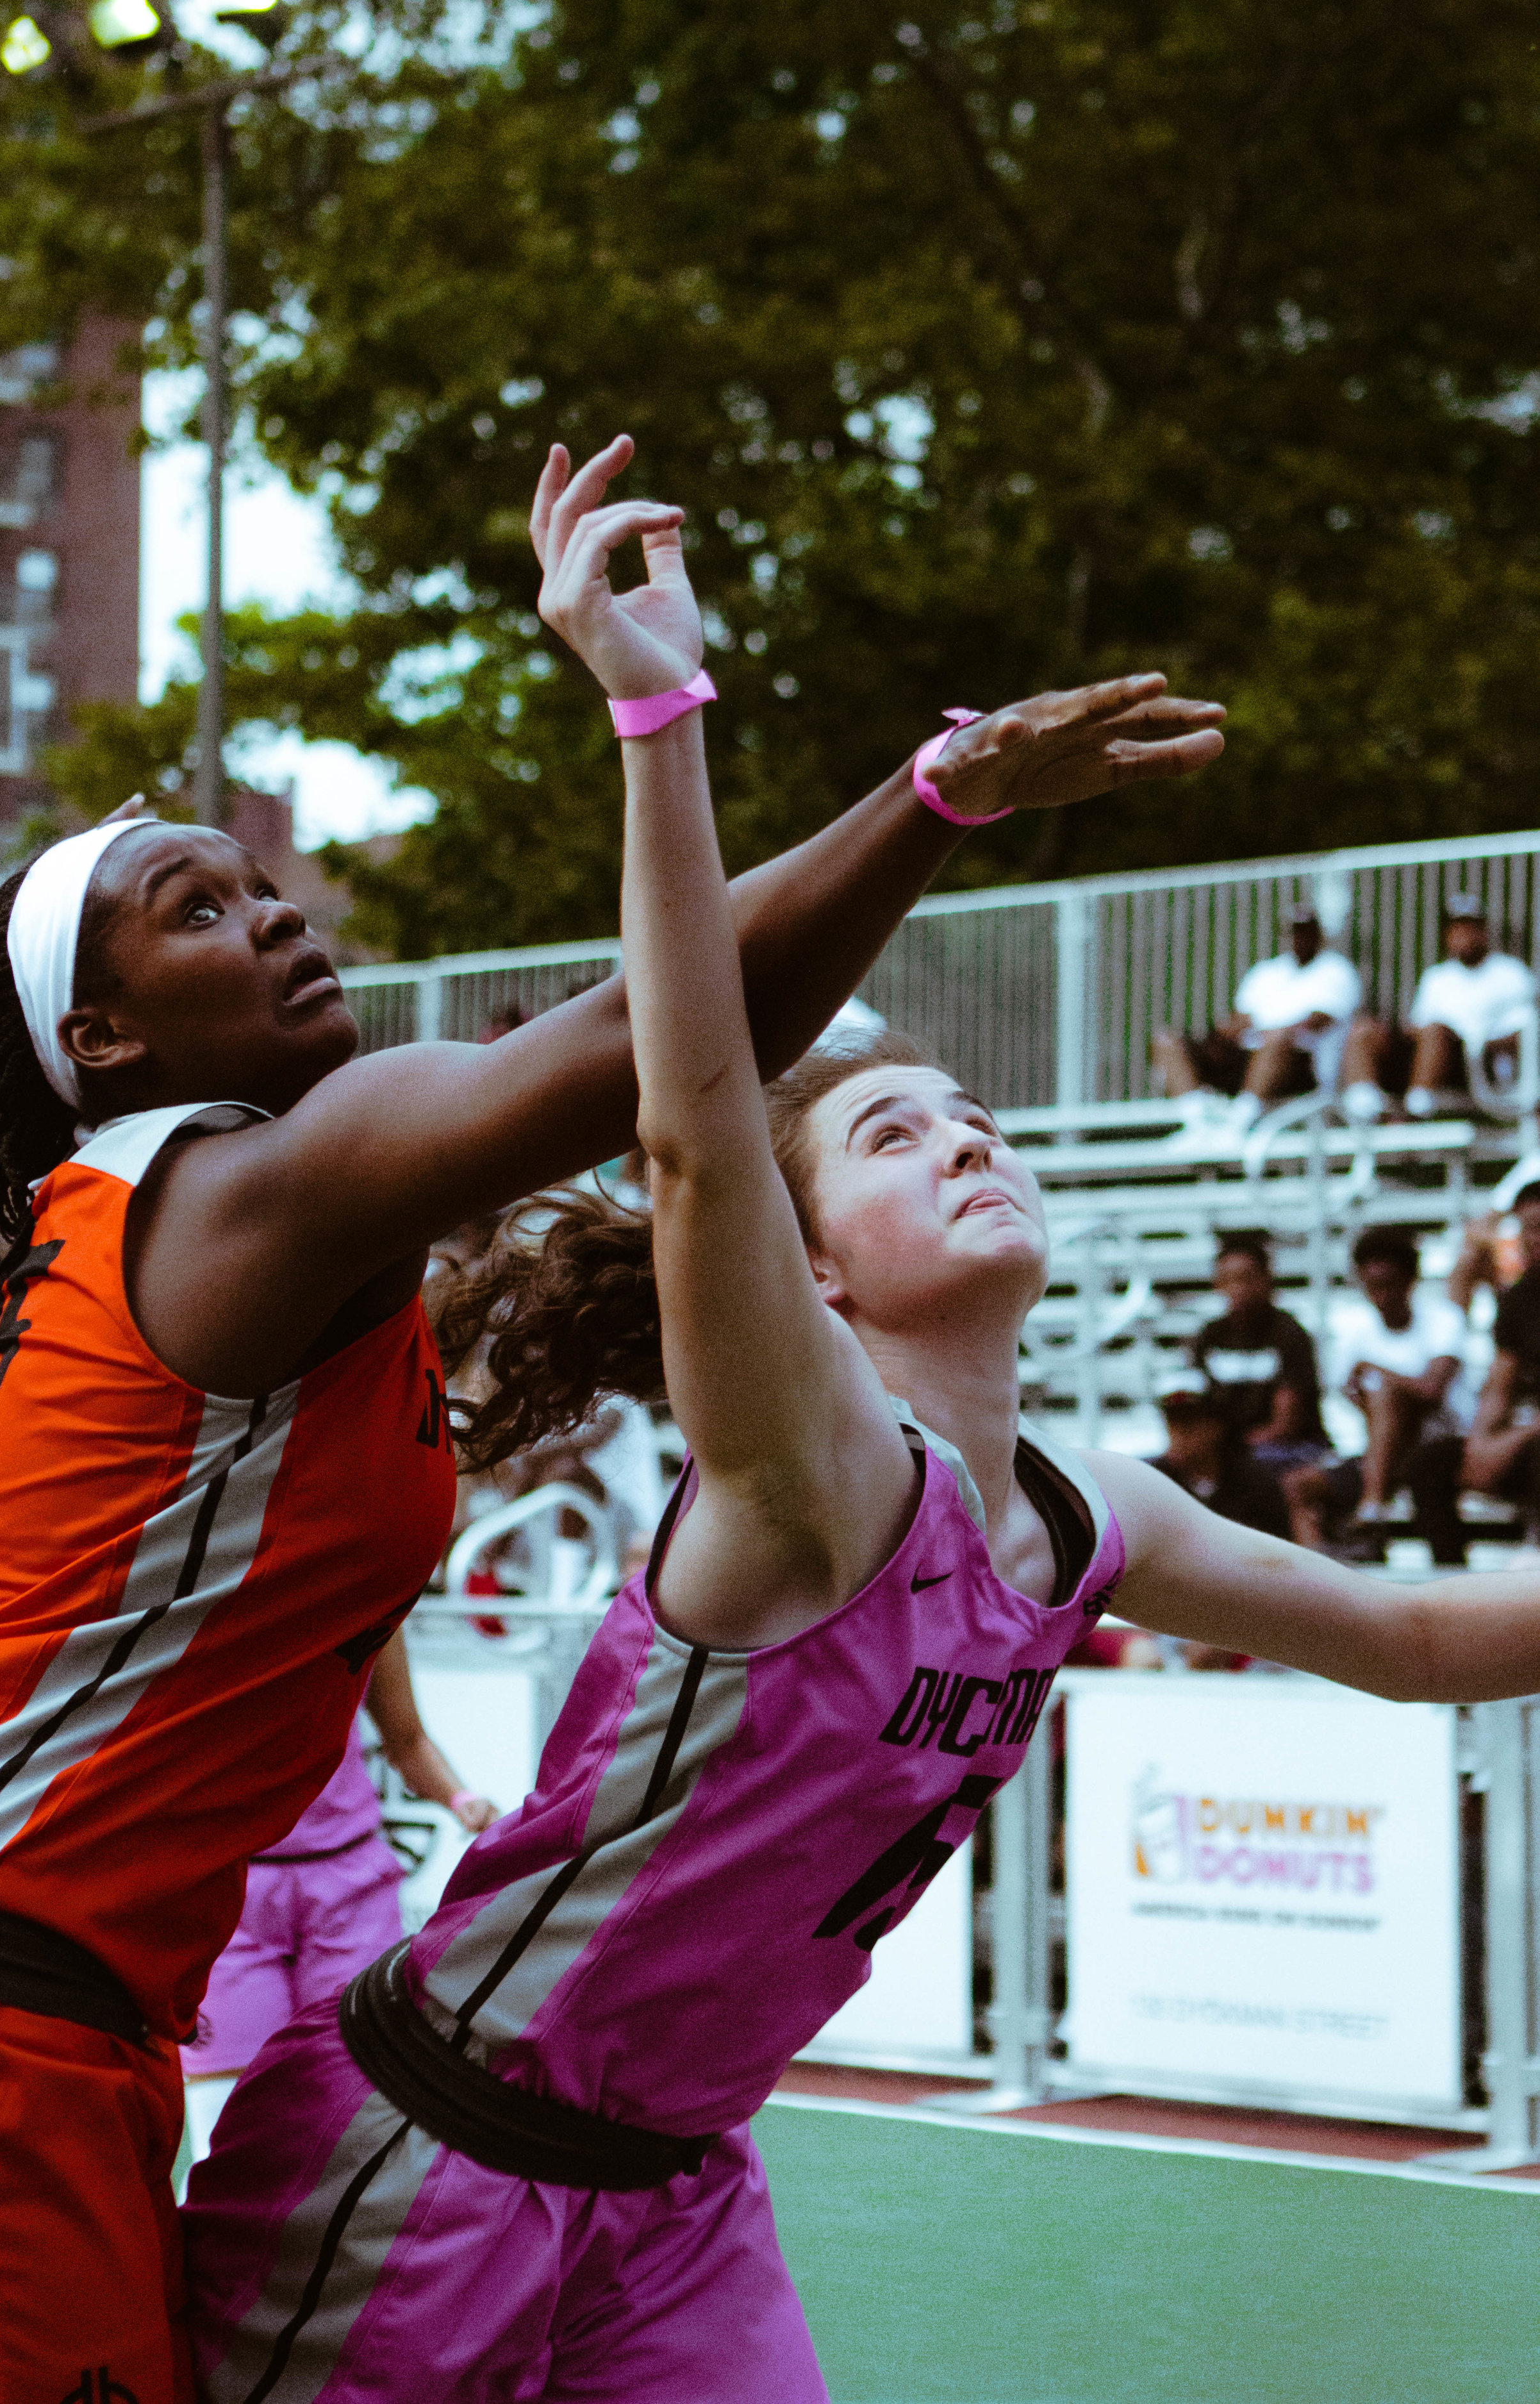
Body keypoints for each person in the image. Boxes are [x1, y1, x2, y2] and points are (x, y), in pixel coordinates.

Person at [186, 467, 1540, 2404]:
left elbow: (1407, 1637)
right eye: (896, 1135)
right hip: (436, 2153)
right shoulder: (812, 1468)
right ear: (810, 1267)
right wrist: (658, 715)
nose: (967, 1136)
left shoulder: (1084, 1514)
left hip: (674, 2189)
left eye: (975, 1116)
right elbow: (689, 1115)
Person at [0, 430, 1229, 2403]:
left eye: (263, 882)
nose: (272, 913)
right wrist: (926, 794)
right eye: (197, 910)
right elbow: (665, 1042)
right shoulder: (242, 1184)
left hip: (73, 2018)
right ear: (100, 1036)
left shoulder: (207, 1234)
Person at [183, 1630, 497, 2083]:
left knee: (352, 2083)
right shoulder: (207, 1608)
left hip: (350, 1887)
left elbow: (408, 1742)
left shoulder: (373, 1604)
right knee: (229, 2097)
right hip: (227, 1888)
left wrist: (462, 1798)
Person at [1284, 1226, 1471, 1558]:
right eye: (1372, 1286)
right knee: (1298, 1486)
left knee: (1386, 1395)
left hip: (1440, 1447)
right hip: (1381, 1454)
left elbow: (1431, 1391)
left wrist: (1376, 1372)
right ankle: (1318, 1570)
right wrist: (1385, 1414)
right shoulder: (1357, 1330)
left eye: (1389, 1285)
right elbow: (1354, 1397)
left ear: (1409, 1280)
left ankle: (1373, 1504)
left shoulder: (1443, 1319)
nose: (1381, 1296)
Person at [1408, 1183, 1540, 1567]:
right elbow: (1500, 1388)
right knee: (1430, 1462)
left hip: (1532, 1438)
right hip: (1526, 1434)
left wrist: (1512, 1440)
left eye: (1539, 1228)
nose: (1531, 1239)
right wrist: (1480, 1443)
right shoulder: (1519, 1299)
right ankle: (1451, 1576)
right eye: (1525, 1229)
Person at [1153, 903, 1359, 1142]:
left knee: (1276, 1040)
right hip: (1248, 1057)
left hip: (1302, 1068)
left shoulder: (1336, 970)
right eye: (1294, 931)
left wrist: (1267, 1031)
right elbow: (1239, 1019)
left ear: (1318, 934)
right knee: (1166, 1041)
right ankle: (1198, 1122)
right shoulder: (1267, 972)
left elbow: (1320, 1020)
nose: (1299, 938)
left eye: (1305, 931)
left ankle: (1239, 1124)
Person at [1342, 892, 1537, 1123]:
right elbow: (1418, 1026)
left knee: (1436, 1033)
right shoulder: (1437, 977)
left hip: (1477, 1062)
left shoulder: (1510, 973)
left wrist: (1473, 1042)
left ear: (1483, 931)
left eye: (1469, 928)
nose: (1462, 936)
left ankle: (1416, 1111)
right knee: (1364, 1030)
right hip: (1430, 1055)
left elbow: (1526, 1031)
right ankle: (1367, 1110)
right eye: (1456, 929)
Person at [1188, 1231, 1327, 1474]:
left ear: (1266, 1280)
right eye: (1229, 1280)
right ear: (1217, 1284)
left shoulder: (1289, 1334)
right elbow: (1193, 1406)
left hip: (1292, 1448)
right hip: (1230, 1448)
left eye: (1246, 1278)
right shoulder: (1209, 1336)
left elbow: (1286, 1425)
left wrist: (1231, 1450)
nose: (1239, 1288)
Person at [1148, 1369, 1290, 1539]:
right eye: (1172, 1423)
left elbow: (1279, 1545)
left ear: (1217, 1427)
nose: (1179, 1435)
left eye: (1189, 1425)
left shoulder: (1255, 1485)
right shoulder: (1155, 1484)